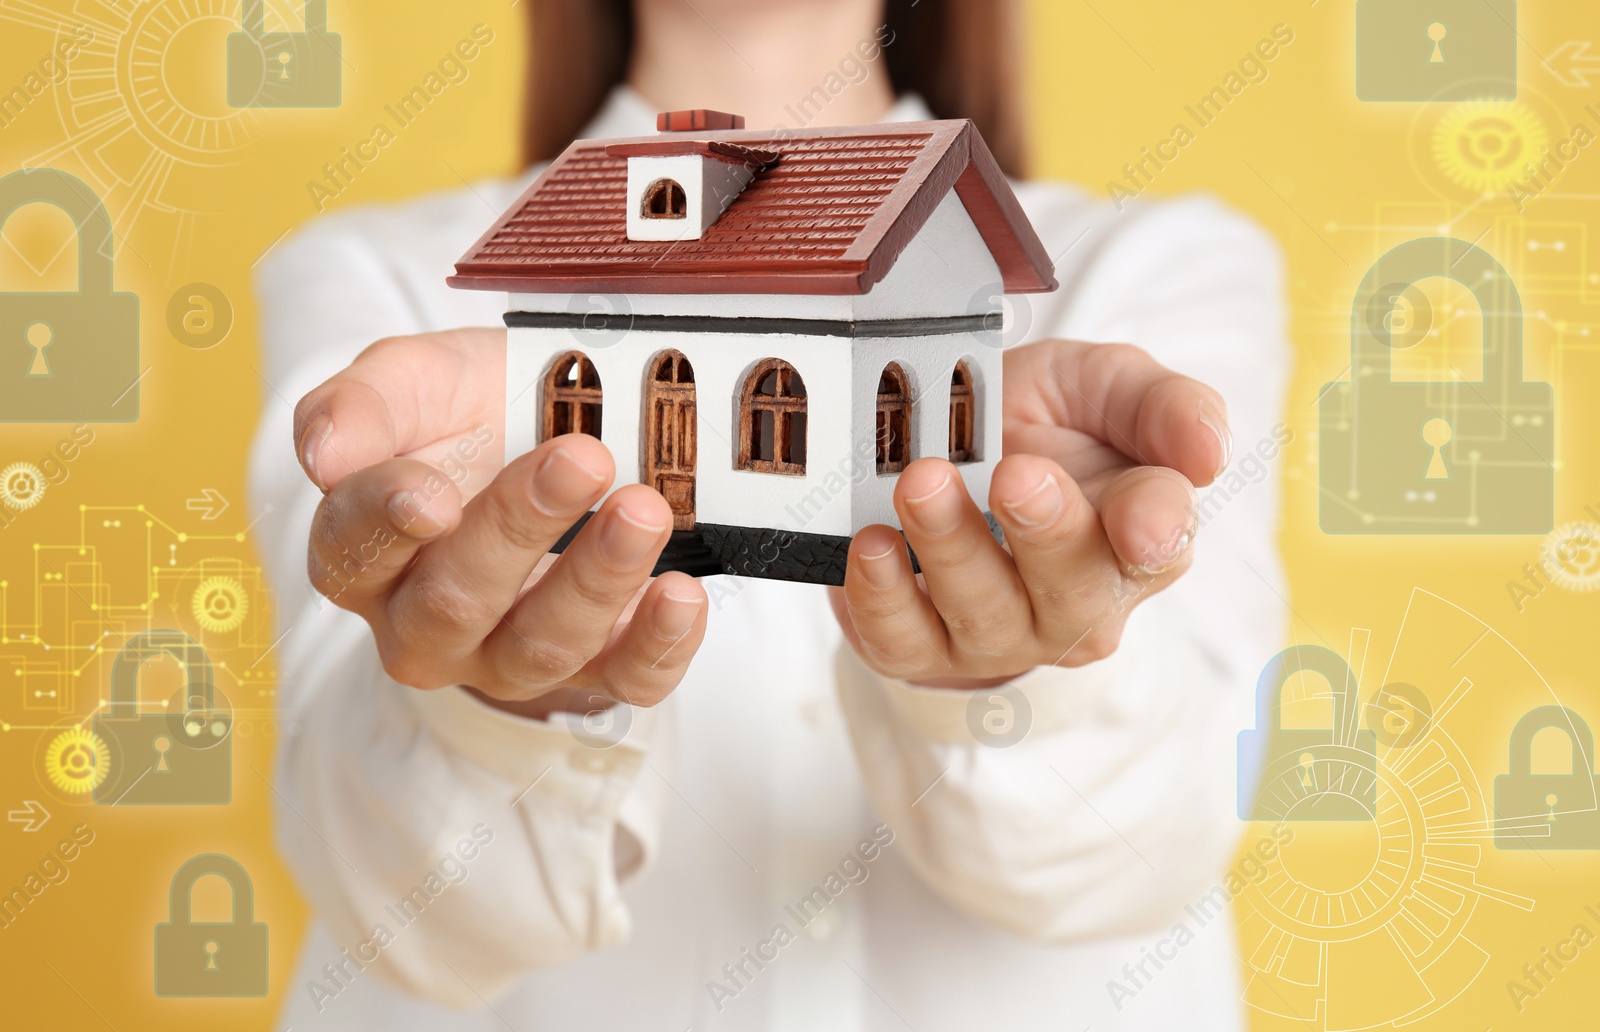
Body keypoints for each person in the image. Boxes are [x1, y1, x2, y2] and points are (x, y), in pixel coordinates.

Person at [249, 0, 1289, 1028]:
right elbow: (383, 905)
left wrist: (1012, 679)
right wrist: (505, 707)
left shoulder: (1156, 263)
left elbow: (1159, 841)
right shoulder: (372, 275)